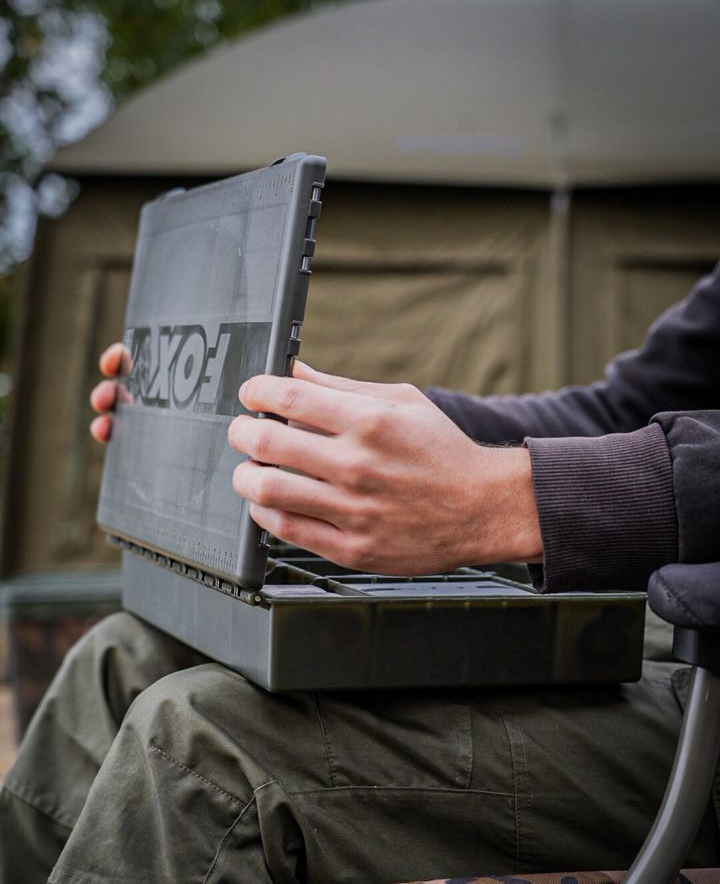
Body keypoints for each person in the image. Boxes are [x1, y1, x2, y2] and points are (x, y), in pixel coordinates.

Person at [1, 263, 719, 883]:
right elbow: (619, 411)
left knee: (200, 744)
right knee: (120, 655)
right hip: (654, 615)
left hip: (704, 675)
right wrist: (296, 420)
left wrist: (509, 498)